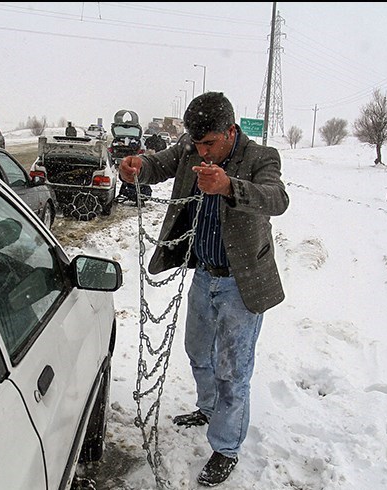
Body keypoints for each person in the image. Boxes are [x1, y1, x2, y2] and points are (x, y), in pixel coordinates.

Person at [118, 92, 289, 486]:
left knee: (233, 370)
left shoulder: (262, 157)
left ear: (231, 131)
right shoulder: (190, 148)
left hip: (242, 283)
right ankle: (208, 407)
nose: (201, 153)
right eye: (196, 145)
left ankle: (226, 446)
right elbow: (158, 165)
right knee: (198, 351)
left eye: (209, 144)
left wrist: (229, 186)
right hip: (203, 275)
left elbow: (277, 198)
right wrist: (136, 167)